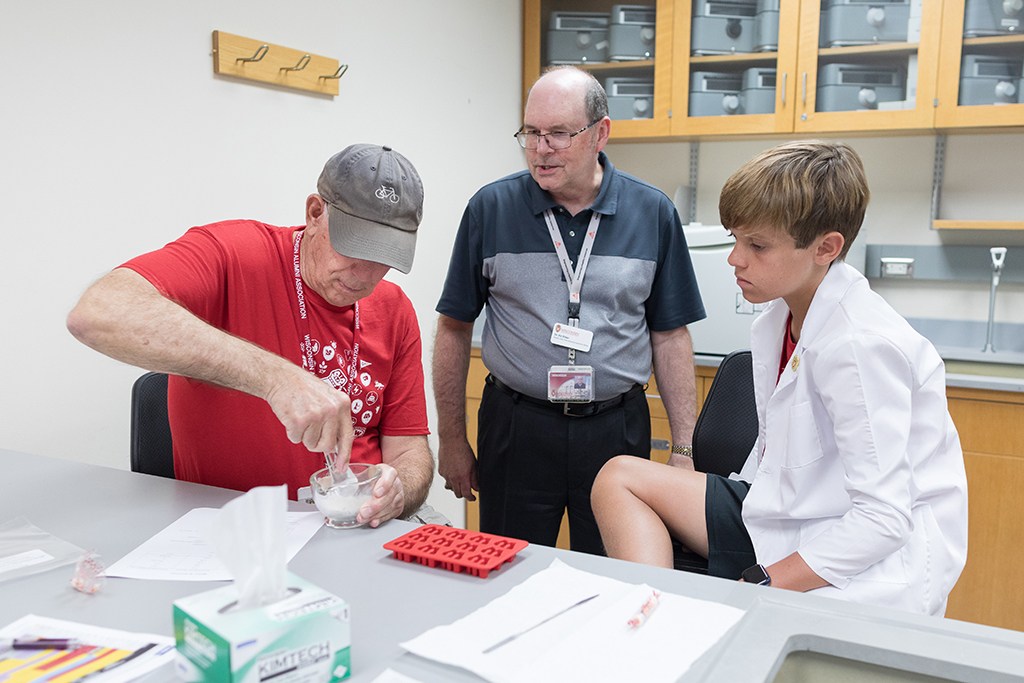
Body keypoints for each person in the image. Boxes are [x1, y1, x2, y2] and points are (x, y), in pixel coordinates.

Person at [591, 140, 969, 616]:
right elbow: (775, 456)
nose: (735, 259)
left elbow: (884, 520)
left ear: (825, 248)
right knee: (617, 477)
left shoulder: (860, 345)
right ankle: (653, 619)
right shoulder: (779, 318)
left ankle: (665, 628)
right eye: (735, 239)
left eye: (757, 246)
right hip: (788, 513)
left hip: (867, 558)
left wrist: (761, 583)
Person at [67, 144, 435, 528]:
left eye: (383, 259)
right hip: (232, 534)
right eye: (353, 248)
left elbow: (409, 450)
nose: (364, 276)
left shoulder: (395, 308)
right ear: (314, 213)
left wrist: (397, 494)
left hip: (356, 530)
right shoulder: (234, 255)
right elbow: (97, 313)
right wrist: (278, 379)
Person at [432, 66, 705, 555]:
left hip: (615, 429)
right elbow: (454, 327)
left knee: (613, 574)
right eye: (531, 133)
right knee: (503, 566)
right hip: (517, 426)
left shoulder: (653, 212)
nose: (541, 148)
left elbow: (670, 335)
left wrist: (683, 450)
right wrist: (452, 439)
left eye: (558, 133)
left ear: (600, 133)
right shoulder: (490, 209)